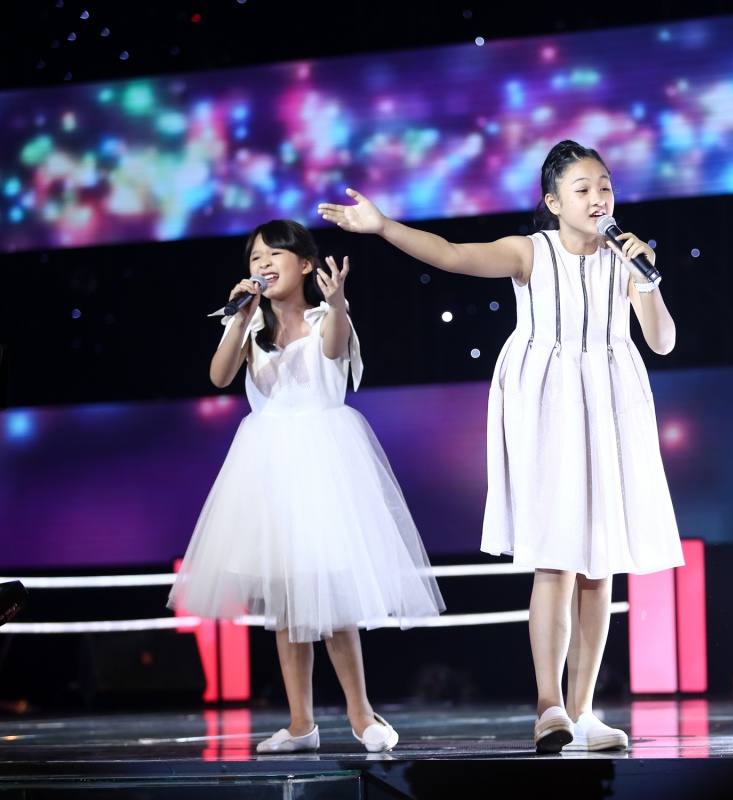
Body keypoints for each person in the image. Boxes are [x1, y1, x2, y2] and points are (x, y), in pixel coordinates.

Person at [318, 140, 683, 753]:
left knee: (600, 564)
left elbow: (663, 341)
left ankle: (585, 711)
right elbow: (452, 254)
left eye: (605, 186)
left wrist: (646, 276)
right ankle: (549, 706)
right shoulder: (530, 251)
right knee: (556, 559)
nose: (598, 197)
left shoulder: (627, 258)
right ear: (553, 202)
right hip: (549, 402)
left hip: (611, 403)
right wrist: (381, 226)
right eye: (583, 189)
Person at [168, 220, 444, 754]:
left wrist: (336, 302)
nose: (263, 264)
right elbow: (219, 377)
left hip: (325, 463)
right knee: (287, 605)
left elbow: (335, 349)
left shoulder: (326, 318)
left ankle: (361, 715)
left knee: (331, 595)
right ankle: (301, 725)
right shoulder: (250, 325)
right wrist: (238, 317)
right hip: (268, 469)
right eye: (255, 257)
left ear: (306, 265)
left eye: (275, 254)